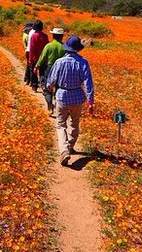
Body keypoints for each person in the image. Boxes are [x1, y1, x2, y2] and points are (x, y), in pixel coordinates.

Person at [46, 35, 94, 166]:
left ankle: (64, 150)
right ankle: (70, 145)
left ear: (66, 48)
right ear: (78, 49)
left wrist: (50, 88)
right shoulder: (83, 63)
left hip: (62, 96)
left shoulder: (59, 62)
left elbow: (51, 81)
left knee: (61, 124)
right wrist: (90, 101)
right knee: (74, 122)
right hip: (78, 97)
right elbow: (88, 83)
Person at [35, 27, 66, 115]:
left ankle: (50, 106)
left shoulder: (49, 46)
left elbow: (43, 57)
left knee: (47, 87)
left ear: (53, 36)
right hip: (61, 69)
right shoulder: (64, 47)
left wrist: (36, 66)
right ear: (62, 36)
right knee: (59, 87)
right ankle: (59, 107)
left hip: (50, 68)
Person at [28, 20, 48, 92]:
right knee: (42, 72)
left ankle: (34, 86)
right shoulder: (45, 36)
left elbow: (32, 48)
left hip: (35, 57)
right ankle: (43, 86)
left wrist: (30, 59)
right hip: (43, 57)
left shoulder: (34, 36)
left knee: (34, 72)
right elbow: (47, 47)